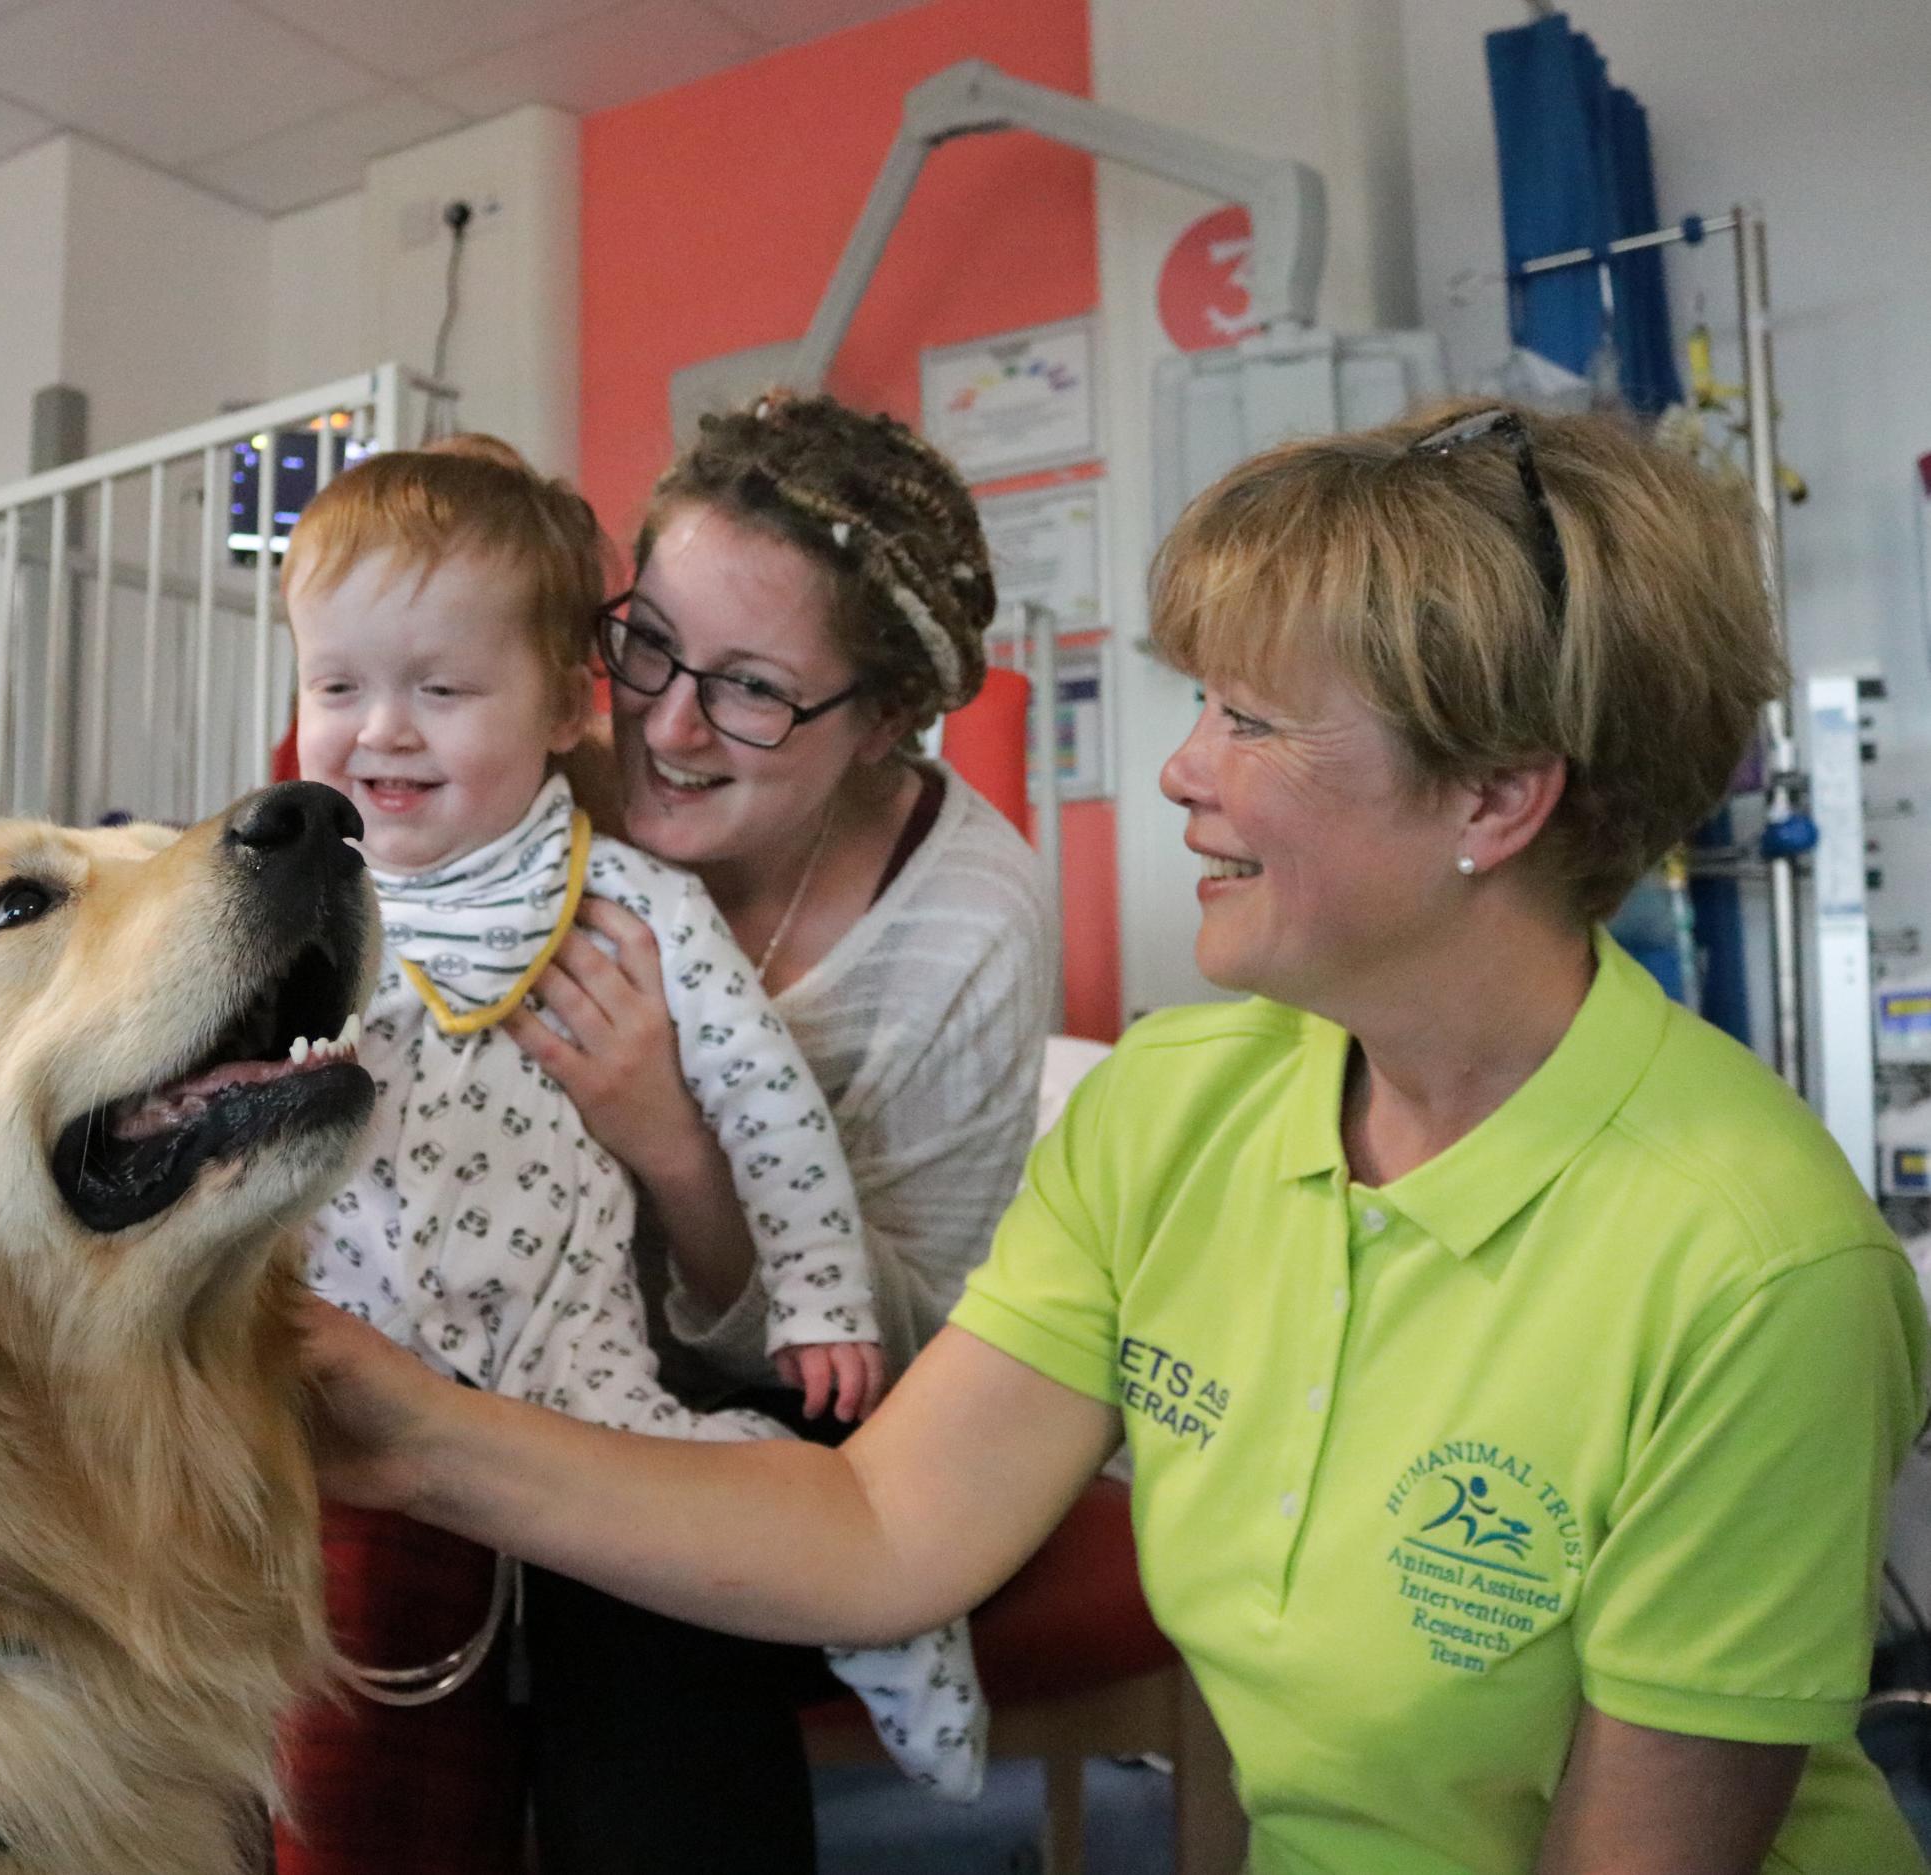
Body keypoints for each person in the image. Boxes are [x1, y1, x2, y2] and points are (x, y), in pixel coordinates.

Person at [302, 400, 1931, 1875]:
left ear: (1495, 801)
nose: (1179, 770)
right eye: (1199, 704)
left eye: (1257, 722)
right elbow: (884, 1529)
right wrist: (403, 1428)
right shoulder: (1177, 1114)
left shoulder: (1758, 1276)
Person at [269, 436, 977, 1875]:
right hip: (332, 1355)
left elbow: (772, 1110)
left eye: (443, 693)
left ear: (560, 712)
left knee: (714, 1485)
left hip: (574, 1355)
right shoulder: (307, 883)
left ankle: (895, 1626)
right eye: (336, 689)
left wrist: (826, 1298)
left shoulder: (629, 898)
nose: (381, 733)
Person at [491, 394, 1065, 1873]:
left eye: (752, 691)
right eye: (653, 645)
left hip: (786, 1413)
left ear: (883, 721)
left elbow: (911, 1360)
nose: (666, 727)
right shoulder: (544, 767)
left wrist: (672, 1141)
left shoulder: (962, 926)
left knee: (640, 1572)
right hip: (495, 1327)